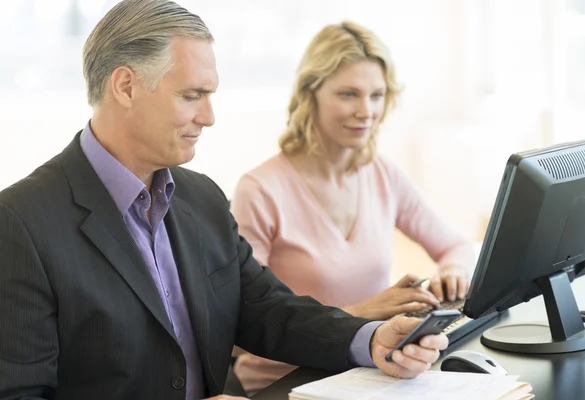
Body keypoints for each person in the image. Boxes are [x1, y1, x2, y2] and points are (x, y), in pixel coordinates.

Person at [0, 1, 449, 400]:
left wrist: (371, 340)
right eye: (192, 96)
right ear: (125, 86)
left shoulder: (202, 197)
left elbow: (264, 309)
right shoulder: (21, 222)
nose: (209, 117)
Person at [231, 21, 475, 392]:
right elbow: (239, 324)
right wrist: (363, 314)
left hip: (366, 369)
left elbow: (454, 245)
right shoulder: (261, 190)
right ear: (310, 94)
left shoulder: (381, 174)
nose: (366, 111)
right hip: (287, 382)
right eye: (348, 94)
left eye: (376, 95)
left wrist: (452, 271)